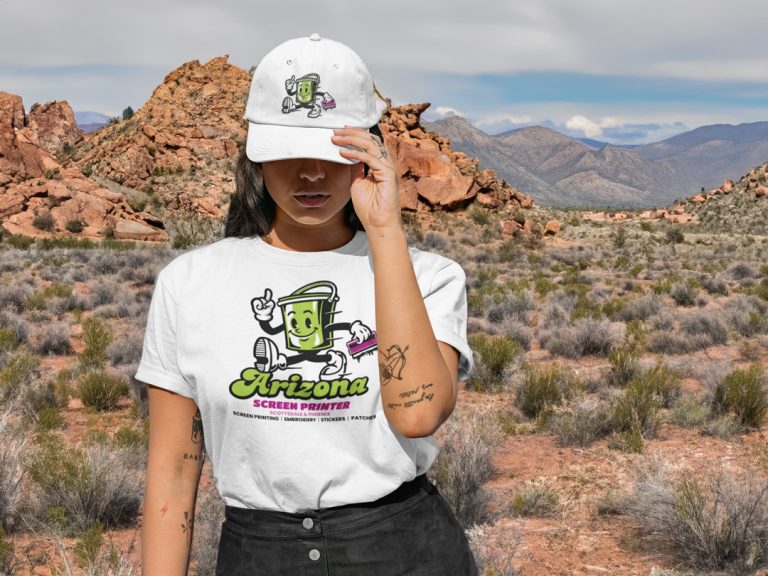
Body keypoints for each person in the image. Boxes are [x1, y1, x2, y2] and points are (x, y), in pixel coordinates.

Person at [136, 32, 477, 576]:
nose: (311, 172)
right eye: (287, 151)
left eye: (332, 150)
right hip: (256, 555)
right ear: (256, 158)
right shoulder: (190, 283)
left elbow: (417, 414)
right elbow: (173, 476)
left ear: (368, 152)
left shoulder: (431, 279)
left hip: (404, 552)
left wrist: (385, 229)